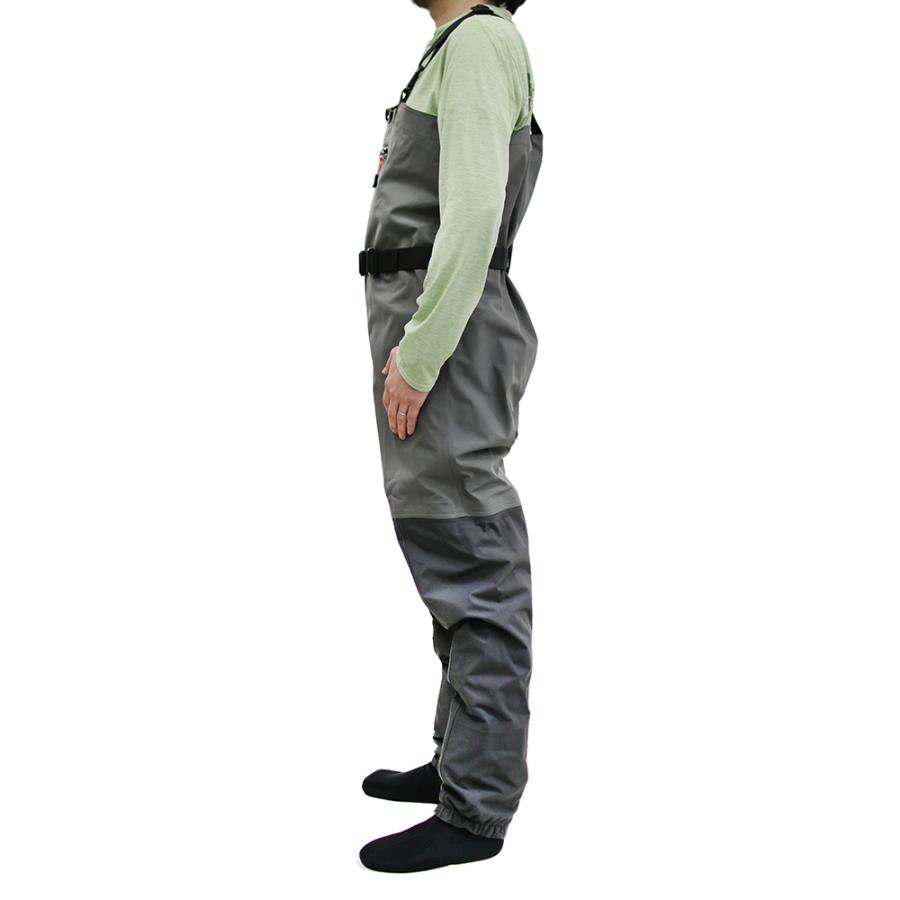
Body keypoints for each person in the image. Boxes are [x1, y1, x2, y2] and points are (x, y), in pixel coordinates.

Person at [357, 0, 543, 873]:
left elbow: (470, 216)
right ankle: (458, 761)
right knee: (448, 551)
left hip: (448, 342)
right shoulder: (456, 47)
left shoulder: (479, 42)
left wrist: (420, 356)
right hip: (437, 334)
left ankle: (476, 810)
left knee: (473, 558)